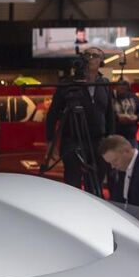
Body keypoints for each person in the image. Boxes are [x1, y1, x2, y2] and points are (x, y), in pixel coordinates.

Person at [44, 47, 116, 192]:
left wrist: (111, 141)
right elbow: (52, 114)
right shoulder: (68, 84)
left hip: (98, 142)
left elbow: (110, 115)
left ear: (101, 61)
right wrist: (50, 141)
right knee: (73, 184)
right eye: (87, 55)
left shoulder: (104, 83)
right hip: (72, 141)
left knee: (95, 186)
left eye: (95, 55)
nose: (90, 58)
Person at [112, 80, 139, 148]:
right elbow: (105, 114)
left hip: (131, 135)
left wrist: (136, 117)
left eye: (124, 87)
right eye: (121, 87)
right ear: (116, 87)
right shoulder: (110, 97)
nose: (122, 89)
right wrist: (117, 118)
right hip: (115, 134)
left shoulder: (133, 97)